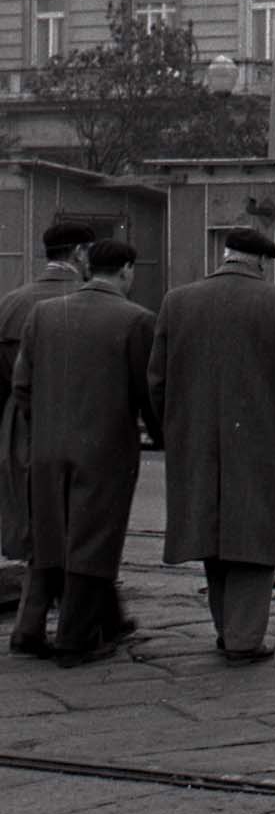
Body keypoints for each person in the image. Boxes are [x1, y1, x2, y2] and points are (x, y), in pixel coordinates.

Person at [147, 226, 275, 664]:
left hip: (195, 441)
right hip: (257, 443)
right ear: (261, 261)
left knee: (211, 535)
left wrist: (173, 434)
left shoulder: (177, 301)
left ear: (226, 255)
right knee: (253, 539)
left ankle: (228, 629)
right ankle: (243, 638)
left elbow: (157, 381)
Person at [10, 241, 161, 667]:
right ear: (126, 270)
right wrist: (162, 435)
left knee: (53, 536)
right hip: (104, 450)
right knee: (94, 541)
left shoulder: (44, 314)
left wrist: (45, 426)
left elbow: (22, 386)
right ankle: (75, 640)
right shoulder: (137, 319)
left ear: (89, 267)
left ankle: (92, 624)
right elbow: (148, 392)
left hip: (46, 448)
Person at [2, 220, 94, 653]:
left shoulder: (11, 302)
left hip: (19, 428)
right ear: (79, 253)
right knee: (80, 530)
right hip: (77, 426)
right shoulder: (88, 301)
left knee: (42, 529)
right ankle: (73, 627)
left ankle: (32, 623)